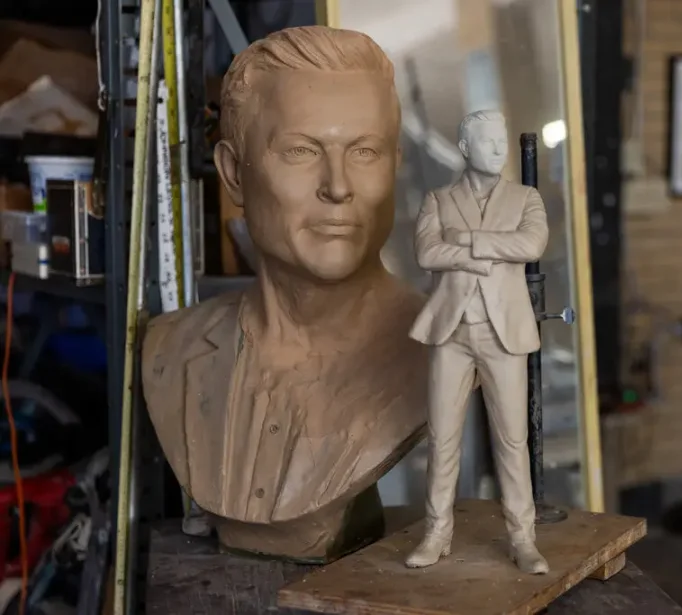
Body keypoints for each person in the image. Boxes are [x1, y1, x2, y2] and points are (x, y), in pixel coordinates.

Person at [141, 26, 428, 563]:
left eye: (365, 151)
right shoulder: (168, 350)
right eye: (301, 150)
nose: (338, 186)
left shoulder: (440, 350)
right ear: (233, 174)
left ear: (395, 163)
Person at [407, 109, 550, 574]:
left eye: (502, 140)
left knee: (512, 439)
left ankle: (522, 538)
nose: (499, 148)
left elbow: (530, 246)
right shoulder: (438, 198)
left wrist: (467, 241)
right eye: (488, 141)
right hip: (451, 332)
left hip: (502, 334)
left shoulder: (526, 198)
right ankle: (437, 532)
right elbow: (428, 252)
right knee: (442, 438)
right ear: (466, 148)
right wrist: (485, 252)